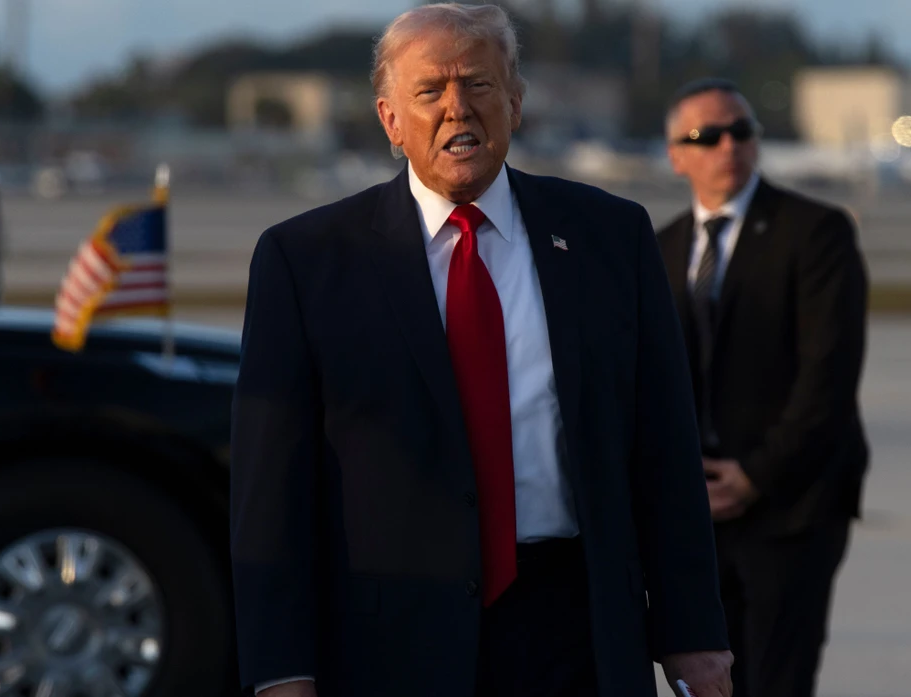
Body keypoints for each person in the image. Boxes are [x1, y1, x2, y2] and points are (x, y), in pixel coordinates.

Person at [229, 5, 733, 697]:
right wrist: (281, 670)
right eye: (430, 91)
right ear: (390, 120)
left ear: (516, 103)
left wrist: (695, 634)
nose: (456, 108)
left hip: (575, 629)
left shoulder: (610, 238)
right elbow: (271, 495)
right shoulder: (307, 262)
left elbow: (664, 455)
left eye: (479, 85)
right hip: (393, 640)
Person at [656, 78, 871, 697]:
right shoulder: (661, 247)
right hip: (697, 511)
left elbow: (827, 378)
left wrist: (754, 475)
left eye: (741, 131)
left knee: (777, 678)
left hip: (792, 504)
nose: (728, 145)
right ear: (675, 155)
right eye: (707, 135)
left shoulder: (815, 232)